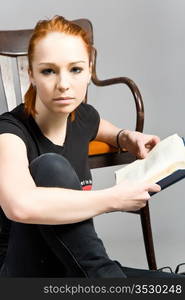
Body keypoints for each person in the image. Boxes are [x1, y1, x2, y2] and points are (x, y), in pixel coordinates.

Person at [0, 15, 182, 278]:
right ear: (31, 74)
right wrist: (114, 199)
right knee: (52, 166)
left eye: (75, 69)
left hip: (76, 269)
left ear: (89, 70)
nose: (64, 84)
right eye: (48, 70)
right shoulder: (9, 131)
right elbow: (20, 205)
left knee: (173, 285)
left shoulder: (82, 116)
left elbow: (100, 127)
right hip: (21, 277)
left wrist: (126, 136)